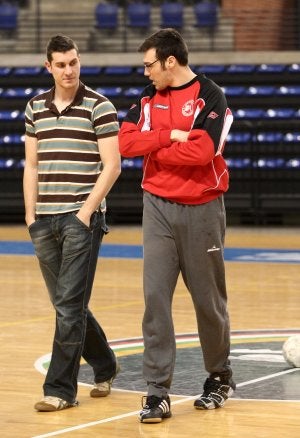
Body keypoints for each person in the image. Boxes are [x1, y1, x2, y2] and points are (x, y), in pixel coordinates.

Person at [118, 28, 235, 423]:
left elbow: (203, 151)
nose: (145, 72)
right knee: (155, 299)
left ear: (170, 61)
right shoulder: (149, 99)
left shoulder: (211, 96)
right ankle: (157, 392)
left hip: (202, 209)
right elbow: (126, 143)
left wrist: (157, 146)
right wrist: (170, 136)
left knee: (208, 300)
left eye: (149, 64)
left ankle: (219, 375)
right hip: (157, 207)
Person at [23, 34, 121, 412]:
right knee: (68, 304)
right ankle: (106, 364)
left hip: (83, 219)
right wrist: (31, 216)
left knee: (67, 307)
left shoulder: (100, 107)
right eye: (61, 64)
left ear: (80, 62)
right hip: (44, 220)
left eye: (74, 62)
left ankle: (60, 390)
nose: (69, 70)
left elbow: (112, 166)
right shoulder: (34, 108)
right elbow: (31, 165)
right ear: (48, 66)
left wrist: (85, 213)